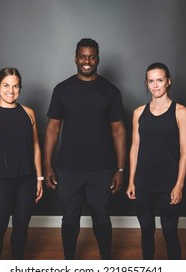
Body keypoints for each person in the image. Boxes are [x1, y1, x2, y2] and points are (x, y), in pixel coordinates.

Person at [43, 38, 126, 260]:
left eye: (91, 56)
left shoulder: (110, 91)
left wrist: (120, 169)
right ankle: (69, 262)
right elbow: (52, 129)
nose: (86, 61)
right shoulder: (62, 89)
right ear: (76, 58)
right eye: (82, 56)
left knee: (101, 216)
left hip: (102, 168)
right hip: (69, 168)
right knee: (70, 217)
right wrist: (47, 165)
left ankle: (106, 263)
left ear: (97, 59)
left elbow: (119, 131)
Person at [126, 63, 186, 260]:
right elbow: (135, 148)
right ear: (147, 83)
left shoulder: (181, 112)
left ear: (168, 81)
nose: (155, 85)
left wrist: (179, 185)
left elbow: (185, 151)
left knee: (170, 233)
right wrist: (131, 180)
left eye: (159, 80)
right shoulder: (138, 112)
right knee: (146, 232)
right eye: (151, 81)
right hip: (144, 183)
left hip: (168, 184)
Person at [0, 67, 43, 259]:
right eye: (6, 85)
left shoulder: (29, 113)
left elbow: (36, 147)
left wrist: (39, 178)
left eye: (15, 86)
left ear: (20, 89)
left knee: (21, 228)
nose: (11, 91)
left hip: (26, 180)